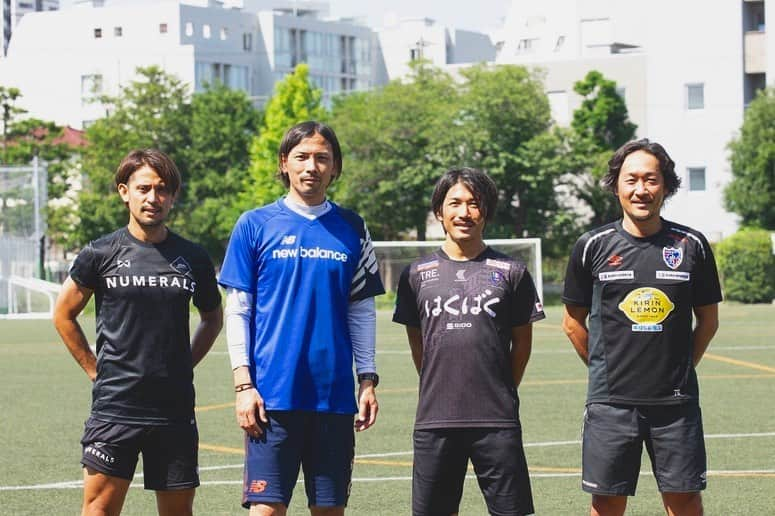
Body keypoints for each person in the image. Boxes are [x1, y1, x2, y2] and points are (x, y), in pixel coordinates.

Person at [218, 121, 385, 515]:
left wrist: (367, 380)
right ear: (284, 163)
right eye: (302, 157)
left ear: (335, 168)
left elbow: (360, 309)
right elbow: (237, 310)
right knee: (267, 510)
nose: (312, 166)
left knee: (329, 511)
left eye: (322, 158)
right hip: (271, 398)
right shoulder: (254, 224)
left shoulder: (353, 228)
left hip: (333, 400)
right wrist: (244, 384)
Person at [52, 149, 223, 516]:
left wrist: (185, 363)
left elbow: (212, 317)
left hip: (173, 409)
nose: (153, 198)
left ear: (173, 197)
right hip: (116, 406)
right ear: (123, 191)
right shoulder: (100, 253)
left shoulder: (192, 256)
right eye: (143, 188)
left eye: (162, 190)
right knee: (98, 510)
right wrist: (94, 370)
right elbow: (64, 314)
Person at [561, 139, 721, 516]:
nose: (641, 189)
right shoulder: (592, 246)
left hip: (675, 403)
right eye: (631, 179)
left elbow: (709, 321)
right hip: (611, 404)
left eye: (651, 179)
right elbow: (572, 323)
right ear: (616, 185)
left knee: (684, 500)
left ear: (666, 186)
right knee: (607, 501)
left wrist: (680, 368)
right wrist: (604, 369)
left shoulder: (691, 244)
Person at [393, 167, 544, 516]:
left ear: (486, 211)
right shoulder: (416, 274)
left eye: (474, 204)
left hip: (497, 419)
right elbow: (418, 343)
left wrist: (503, 386)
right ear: (439, 213)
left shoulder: (512, 272)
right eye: (455, 203)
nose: (464, 213)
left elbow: (522, 343)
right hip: (436, 418)